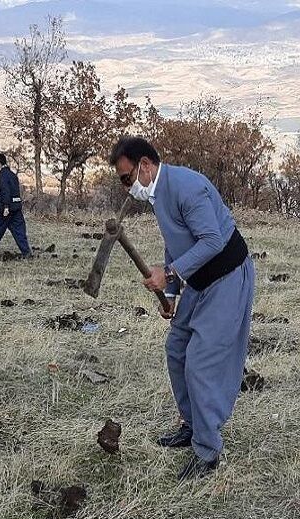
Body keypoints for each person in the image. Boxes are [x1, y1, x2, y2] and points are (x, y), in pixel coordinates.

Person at [108, 136, 256, 482]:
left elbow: (212, 241)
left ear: (145, 165)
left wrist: (169, 274)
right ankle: (192, 425)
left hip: (227, 278)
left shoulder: (188, 187)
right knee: (177, 350)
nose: (127, 188)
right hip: (198, 282)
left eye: (127, 178)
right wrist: (171, 293)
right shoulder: (159, 194)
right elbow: (174, 244)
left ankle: (207, 451)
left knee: (201, 362)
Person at [0, 153, 32, 257]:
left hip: (5, 209)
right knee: (19, 231)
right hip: (16, 207)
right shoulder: (13, 175)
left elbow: (5, 191)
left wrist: (6, 207)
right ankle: (26, 252)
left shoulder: (2, 175)